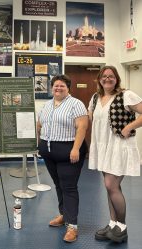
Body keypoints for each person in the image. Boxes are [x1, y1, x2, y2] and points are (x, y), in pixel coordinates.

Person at [88, 65, 142, 243]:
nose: (107, 79)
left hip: (119, 146)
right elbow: (90, 118)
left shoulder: (126, 95)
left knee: (111, 185)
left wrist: (129, 126)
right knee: (109, 187)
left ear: (116, 78)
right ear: (99, 79)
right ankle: (112, 224)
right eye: (104, 76)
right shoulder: (95, 98)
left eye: (111, 76)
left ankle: (122, 227)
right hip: (103, 148)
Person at [37, 74, 88, 243]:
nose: (58, 88)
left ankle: (72, 226)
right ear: (52, 87)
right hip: (49, 153)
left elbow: (82, 127)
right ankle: (64, 215)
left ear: (68, 88)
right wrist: (39, 144)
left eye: (62, 86)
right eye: (56, 86)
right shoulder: (47, 105)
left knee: (69, 187)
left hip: (69, 152)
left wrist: (75, 149)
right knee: (58, 185)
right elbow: (40, 125)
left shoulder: (76, 104)